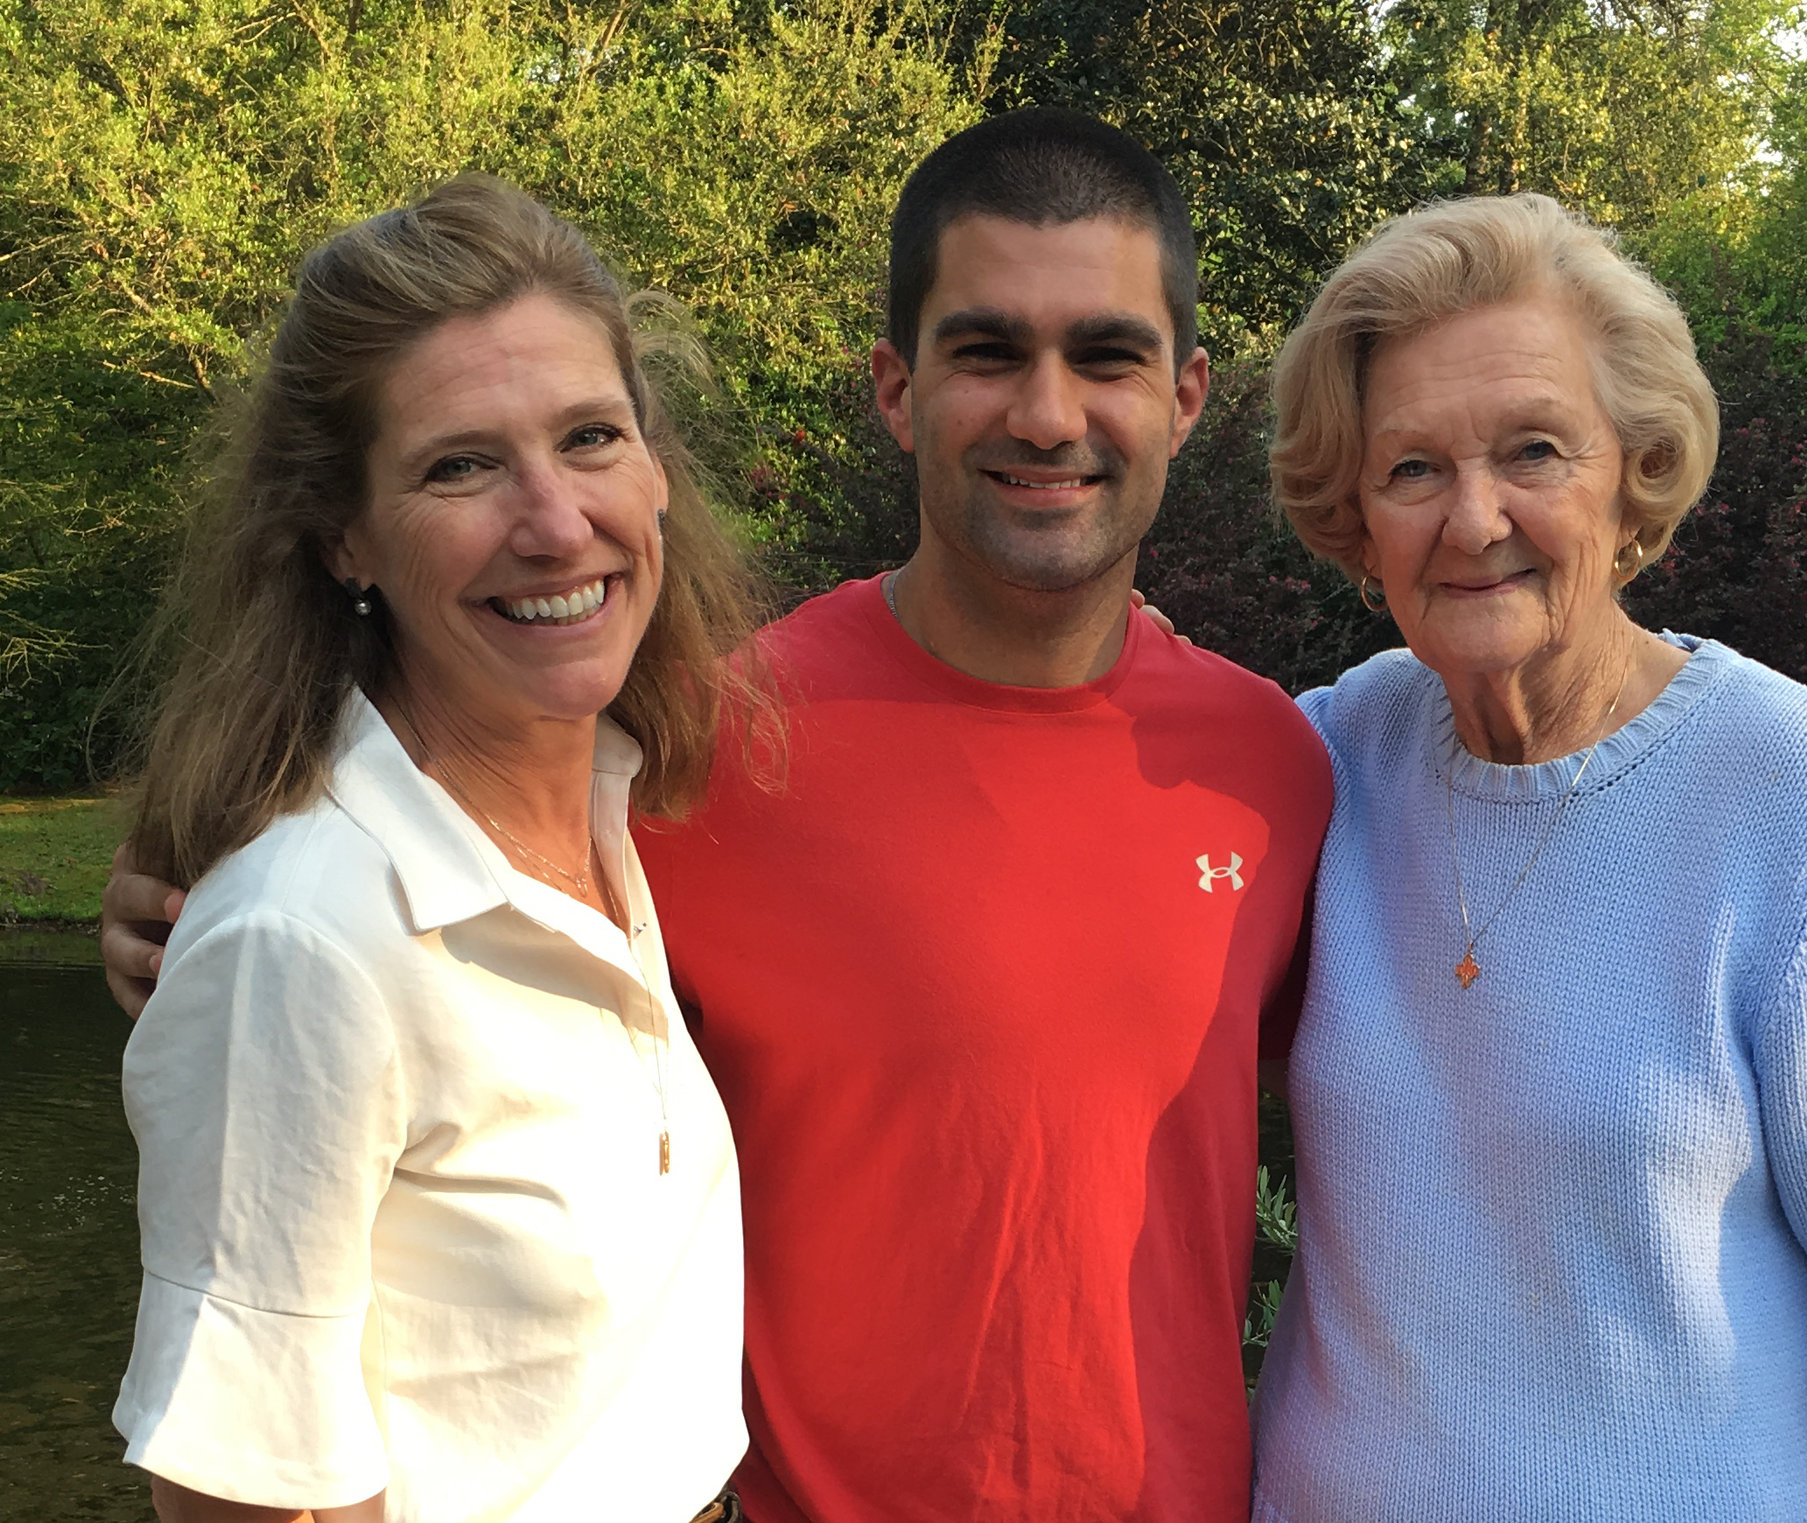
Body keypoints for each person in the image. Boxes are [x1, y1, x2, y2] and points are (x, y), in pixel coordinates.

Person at [103, 112, 1332, 1521]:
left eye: (1105, 355)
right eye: (987, 352)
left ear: (1184, 396)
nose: (1049, 414)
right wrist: (194, 898)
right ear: (894, 387)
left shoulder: (1271, 769)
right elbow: (349, 895)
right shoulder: (713, 743)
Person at [1247, 193, 1807, 1522]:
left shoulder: (1787, 779)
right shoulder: (1320, 760)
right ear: (1357, 510)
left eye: (1534, 450)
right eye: (1413, 468)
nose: (1473, 516)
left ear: (1634, 473)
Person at [110, 175, 764, 1523]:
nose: (554, 520)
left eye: (590, 437)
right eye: (460, 464)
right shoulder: (304, 936)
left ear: (654, 470)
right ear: (344, 535)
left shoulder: (617, 813)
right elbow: (236, 1497)